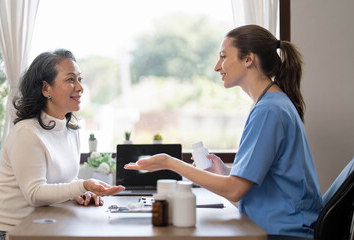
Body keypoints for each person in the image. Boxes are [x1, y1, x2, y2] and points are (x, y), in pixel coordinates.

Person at [125, 25, 323, 238]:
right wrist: (225, 173)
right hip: (275, 227)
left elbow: (234, 190)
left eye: (223, 57)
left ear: (248, 59)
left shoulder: (269, 110)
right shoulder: (272, 104)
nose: (217, 67)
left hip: (284, 233)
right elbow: (258, 184)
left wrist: (169, 163)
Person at [0, 49, 125, 240]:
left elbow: (64, 181)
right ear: (46, 89)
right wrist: (81, 186)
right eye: (70, 79)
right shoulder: (26, 132)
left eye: (79, 79)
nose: (80, 87)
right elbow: (35, 193)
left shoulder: (71, 130)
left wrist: (82, 192)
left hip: (37, 226)